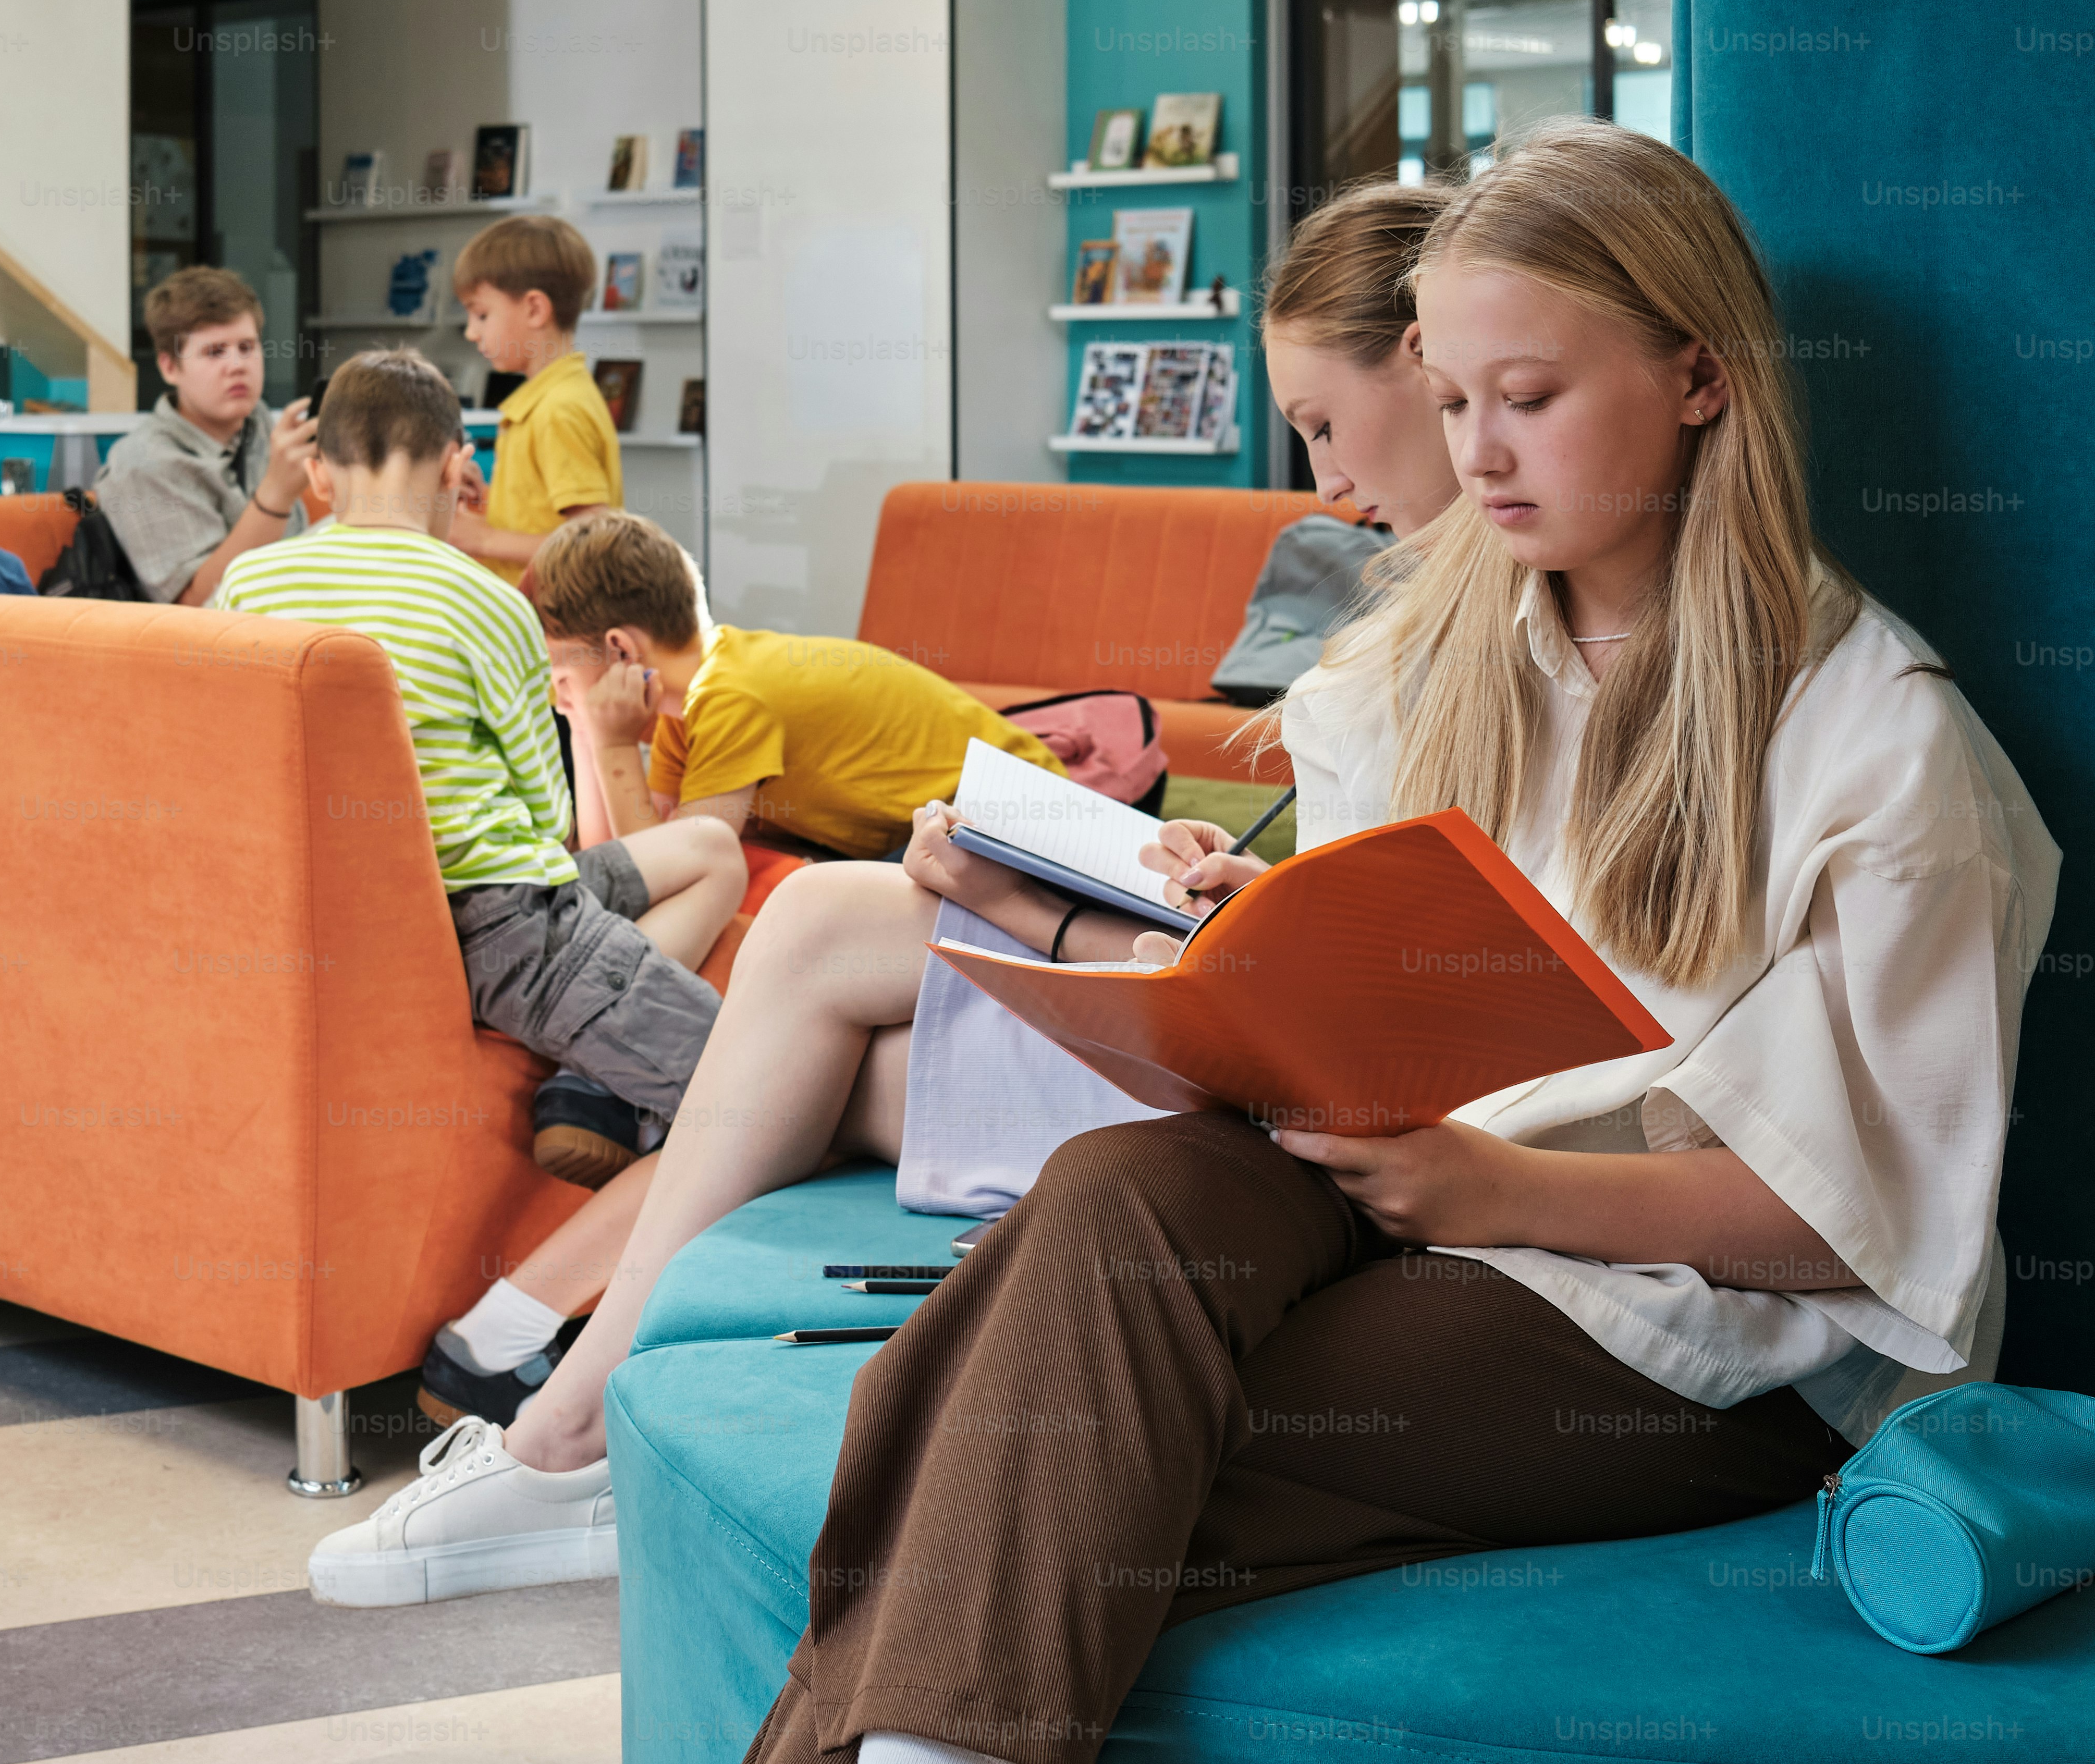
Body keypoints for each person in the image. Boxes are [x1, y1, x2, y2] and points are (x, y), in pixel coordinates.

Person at [687, 120, 2054, 1764]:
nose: (1472, 456)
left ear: (1698, 375)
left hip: (1702, 1324)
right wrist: (1201, 944)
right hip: (1416, 1192)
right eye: (1450, 394)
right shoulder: (1436, 654)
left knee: (1000, 1449)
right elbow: (1391, 990)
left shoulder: (1882, 746)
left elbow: (1865, 1232)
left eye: (1527, 398)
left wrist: (1499, 1193)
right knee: (1108, 1203)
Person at [301, 175, 1475, 1608]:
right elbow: (1371, 905)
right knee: (793, 959)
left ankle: (555, 1411)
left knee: (787, 984)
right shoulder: (1430, 611)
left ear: (1426, 366)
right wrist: (1228, 882)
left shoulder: (1452, 636)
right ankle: (553, 1399)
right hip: (1241, 975)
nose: (1322, 485)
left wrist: (1040, 907)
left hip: (1302, 1074)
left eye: (1316, 425)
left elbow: (1391, 983)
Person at [210, 351, 747, 1459]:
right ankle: (498, 1339)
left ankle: (591, 1083)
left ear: (324, 467)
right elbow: (547, 827)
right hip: (502, 922)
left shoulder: (253, 586)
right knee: (760, 1096)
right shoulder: (481, 601)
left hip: (350, 918)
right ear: (458, 462)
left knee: (707, 853)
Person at [532, 507, 1073, 859]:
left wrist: (613, 744)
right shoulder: (689, 706)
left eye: (562, 671)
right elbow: (615, 860)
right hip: (941, 823)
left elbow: (661, 872)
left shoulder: (730, 696)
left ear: (621, 649)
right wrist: (583, 726)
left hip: (1012, 817)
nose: (558, 693)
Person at [92, 266, 317, 606]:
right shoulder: (142, 462)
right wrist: (276, 494)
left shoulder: (263, 426)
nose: (238, 365)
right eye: (215, 352)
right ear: (169, 367)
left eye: (247, 347)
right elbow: (196, 605)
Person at [440, 216, 620, 590]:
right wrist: (488, 503)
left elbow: (595, 545)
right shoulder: (549, 400)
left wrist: (483, 539)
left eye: (482, 315)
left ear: (536, 309)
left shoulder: (558, 409)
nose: (472, 332)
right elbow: (545, 518)